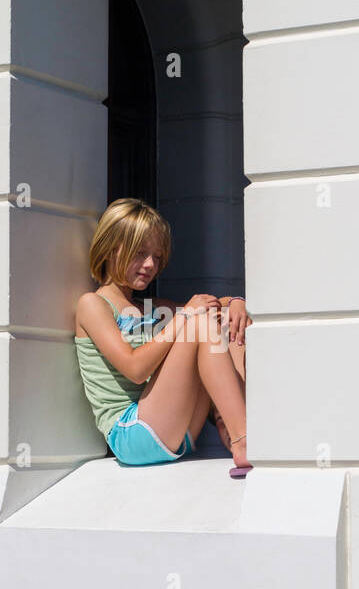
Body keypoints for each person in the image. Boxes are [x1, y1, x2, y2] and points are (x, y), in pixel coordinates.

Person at [74, 198, 253, 477]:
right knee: (198, 321)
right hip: (132, 434)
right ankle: (242, 437)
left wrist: (236, 304)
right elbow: (135, 369)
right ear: (110, 249)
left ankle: (230, 425)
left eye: (157, 257)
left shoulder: (152, 308)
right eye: (141, 253)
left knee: (222, 321)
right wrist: (183, 318)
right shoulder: (93, 305)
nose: (150, 264)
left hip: (178, 432)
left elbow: (214, 308)